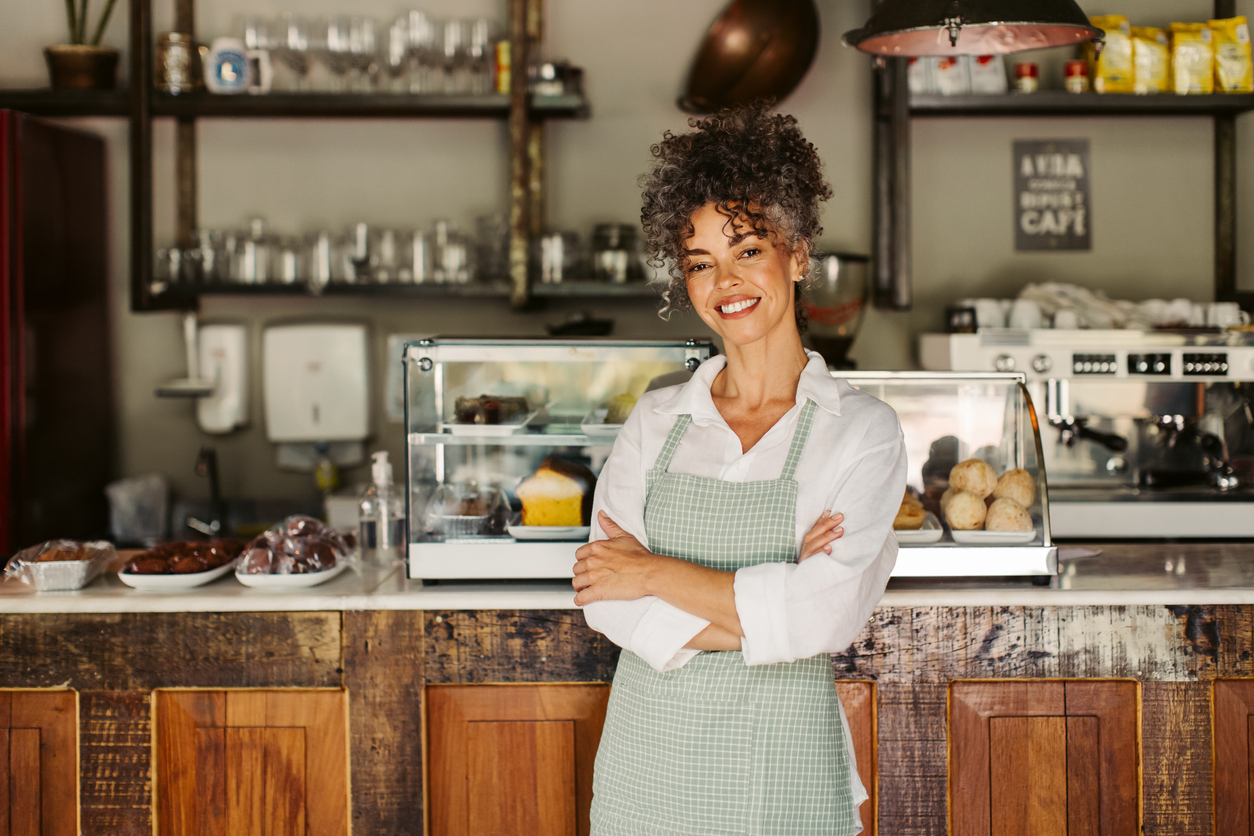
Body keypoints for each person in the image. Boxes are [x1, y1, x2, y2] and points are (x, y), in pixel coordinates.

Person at [572, 104, 906, 835]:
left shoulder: (862, 432)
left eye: (747, 249)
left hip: (784, 772)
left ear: (797, 251)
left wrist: (655, 573)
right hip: (647, 767)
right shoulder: (656, 421)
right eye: (699, 263)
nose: (725, 280)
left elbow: (829, 614)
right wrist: (778, 605)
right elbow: (605, 597)